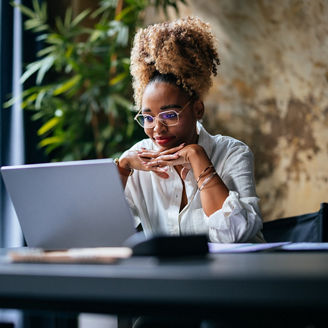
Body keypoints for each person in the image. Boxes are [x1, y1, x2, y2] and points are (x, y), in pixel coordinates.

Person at [115, 16, 264, 243]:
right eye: (148, 117)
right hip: (173, 278)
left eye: (169, 115)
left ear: (197, 109)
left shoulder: (233, 153)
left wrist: (197, 157)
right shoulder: (139, 159)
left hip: (235, 275)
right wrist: (123, 168)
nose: (157, 129)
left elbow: (235, 235)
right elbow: (95, 231)